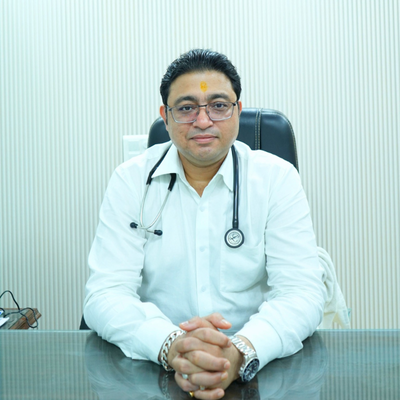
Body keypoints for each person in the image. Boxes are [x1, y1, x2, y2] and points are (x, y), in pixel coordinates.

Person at [83, 49, 326, 399]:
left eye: (218, 105)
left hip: (258, 367)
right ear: (166, 117)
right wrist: (171, 345)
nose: (202, 121)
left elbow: (302, 293)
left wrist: (239, 351)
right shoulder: (131, 181)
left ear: (238, 111)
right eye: (186, 108)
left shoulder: (276, 179)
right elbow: (105, 294)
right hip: (154, 370)